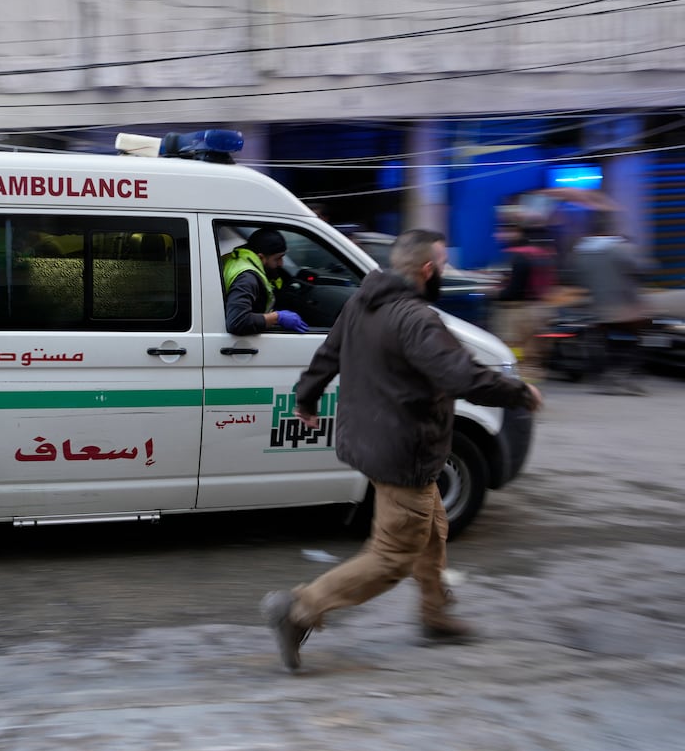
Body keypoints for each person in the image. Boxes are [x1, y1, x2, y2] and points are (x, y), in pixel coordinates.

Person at [260, 228, 542, 672]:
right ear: (427, 269)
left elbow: (328, 354)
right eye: (443, 264)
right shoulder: (416, 318)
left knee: (432, 528)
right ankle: (298, 610)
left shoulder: (360, 301)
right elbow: (462, 376)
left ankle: (434, 614)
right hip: (404, 453)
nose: (444, 271)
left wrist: (306, 397)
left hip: (374, 444)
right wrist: (519, 392)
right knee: (392, 555)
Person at [571, 213, 651, 395]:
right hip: (625, 305)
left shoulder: (581, 251)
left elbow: (576, 277)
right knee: (633, 342)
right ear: (610, 229)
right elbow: (641, 269)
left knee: (602, 342)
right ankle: (626, 376)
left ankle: (602, 378)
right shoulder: (620, 248)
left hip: (597, 306)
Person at [493, 221, 554, 378]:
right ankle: (531, 388)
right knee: (531, 355)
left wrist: (493, 294)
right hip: (538, 308)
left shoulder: (517, 256)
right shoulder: (540, 253)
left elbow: (514, 289)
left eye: (502, 231)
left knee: (513, 349)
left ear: (516, 232)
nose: (497, 235)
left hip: (517, 312)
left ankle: (521, 389)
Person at [221, 227, 309, 335]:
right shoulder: (247, 279)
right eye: (278, 258)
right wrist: (277, 317)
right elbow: (237, 322)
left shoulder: (240, 259)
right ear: (261, 258)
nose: (281, 264)